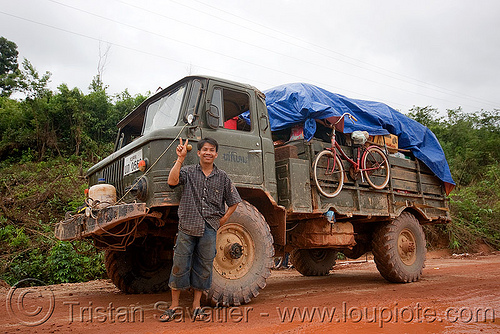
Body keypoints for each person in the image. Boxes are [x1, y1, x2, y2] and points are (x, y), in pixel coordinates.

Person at [160, 137, 241, 322]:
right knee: (180, 264)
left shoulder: (223, 177)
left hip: (209, 228)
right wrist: (180, 159)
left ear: (216, 154)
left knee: (203, 267)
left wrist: (224, 219)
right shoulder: (188, 172)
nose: (208, 152)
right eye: (205, 149)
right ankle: (174, 306)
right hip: (187, 225)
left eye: (212, 150)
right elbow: (172, 182)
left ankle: (196, 306)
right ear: (198, 153)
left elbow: (235, 201)